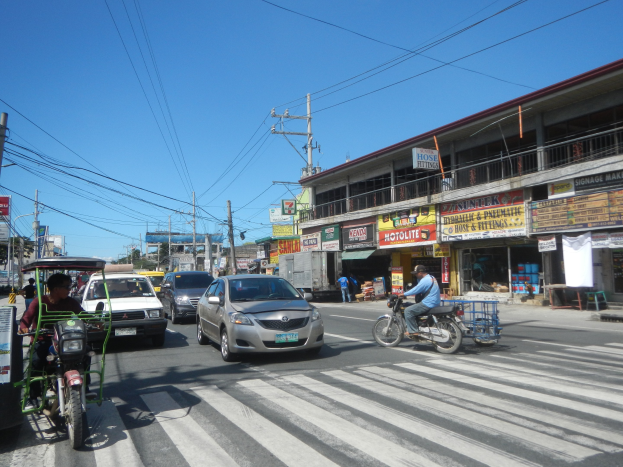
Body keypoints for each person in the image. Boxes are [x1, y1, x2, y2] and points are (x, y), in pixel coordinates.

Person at [18, 273, 85, 405]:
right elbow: (26, 318)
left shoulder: (70, 302)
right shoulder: (39, 301)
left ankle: (84, 388)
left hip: (64, 341)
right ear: (55, 288)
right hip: (44, 339)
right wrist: (24, 327)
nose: (69, 290)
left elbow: (83, 314)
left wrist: (97, 322)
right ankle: (34, 395)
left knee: (84, 354)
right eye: (66, 287)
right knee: (36, 361)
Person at [403, 265, 440, 338]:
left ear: (420, 273)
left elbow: (416, 289)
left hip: (428, 303)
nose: (415, 275)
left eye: (416, 273)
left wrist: (403, 294)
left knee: (408, 311)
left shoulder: (425, 280)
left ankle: (413, 331)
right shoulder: (431, 277)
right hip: (435, 302)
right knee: (414, 307)